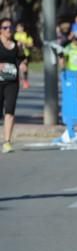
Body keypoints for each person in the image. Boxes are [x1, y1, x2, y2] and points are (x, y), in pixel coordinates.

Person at [0, 18, 27, 153]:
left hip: (12, 82)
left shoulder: (17, 45)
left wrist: (23, 65)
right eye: (5, 28)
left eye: (10, 27)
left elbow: (22, 59)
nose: (8, 30)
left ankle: (7, 142)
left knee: (9, 111)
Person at [13, 22, 33, 89]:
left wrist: (25, 44)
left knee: (24, 68)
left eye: (21, 27)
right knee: (17, 68)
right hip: (16, 54)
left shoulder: (26, 35)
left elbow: (31, 44)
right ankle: (19, 80)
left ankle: (25, 81)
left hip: (25, 54)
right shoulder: (14, 35)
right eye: (18, 27)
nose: (20, 28)